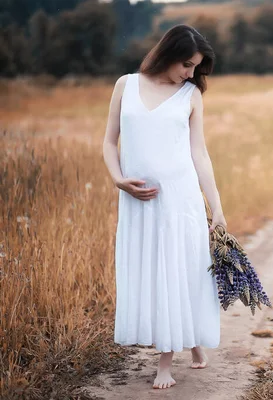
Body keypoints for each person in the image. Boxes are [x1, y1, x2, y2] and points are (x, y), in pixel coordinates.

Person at [102, 24, 227, 390]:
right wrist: (117, 178)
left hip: (179, 199)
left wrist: (216, 207)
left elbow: (199, 153)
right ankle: (193, 342)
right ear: (168, 54)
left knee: (177, 272)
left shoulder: (190, 94)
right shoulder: (125, 85)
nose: (191, 73)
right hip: (138, 203)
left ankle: (165, 366)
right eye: (187, 64)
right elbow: (110, 142)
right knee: (156, 274)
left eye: (195, 67)